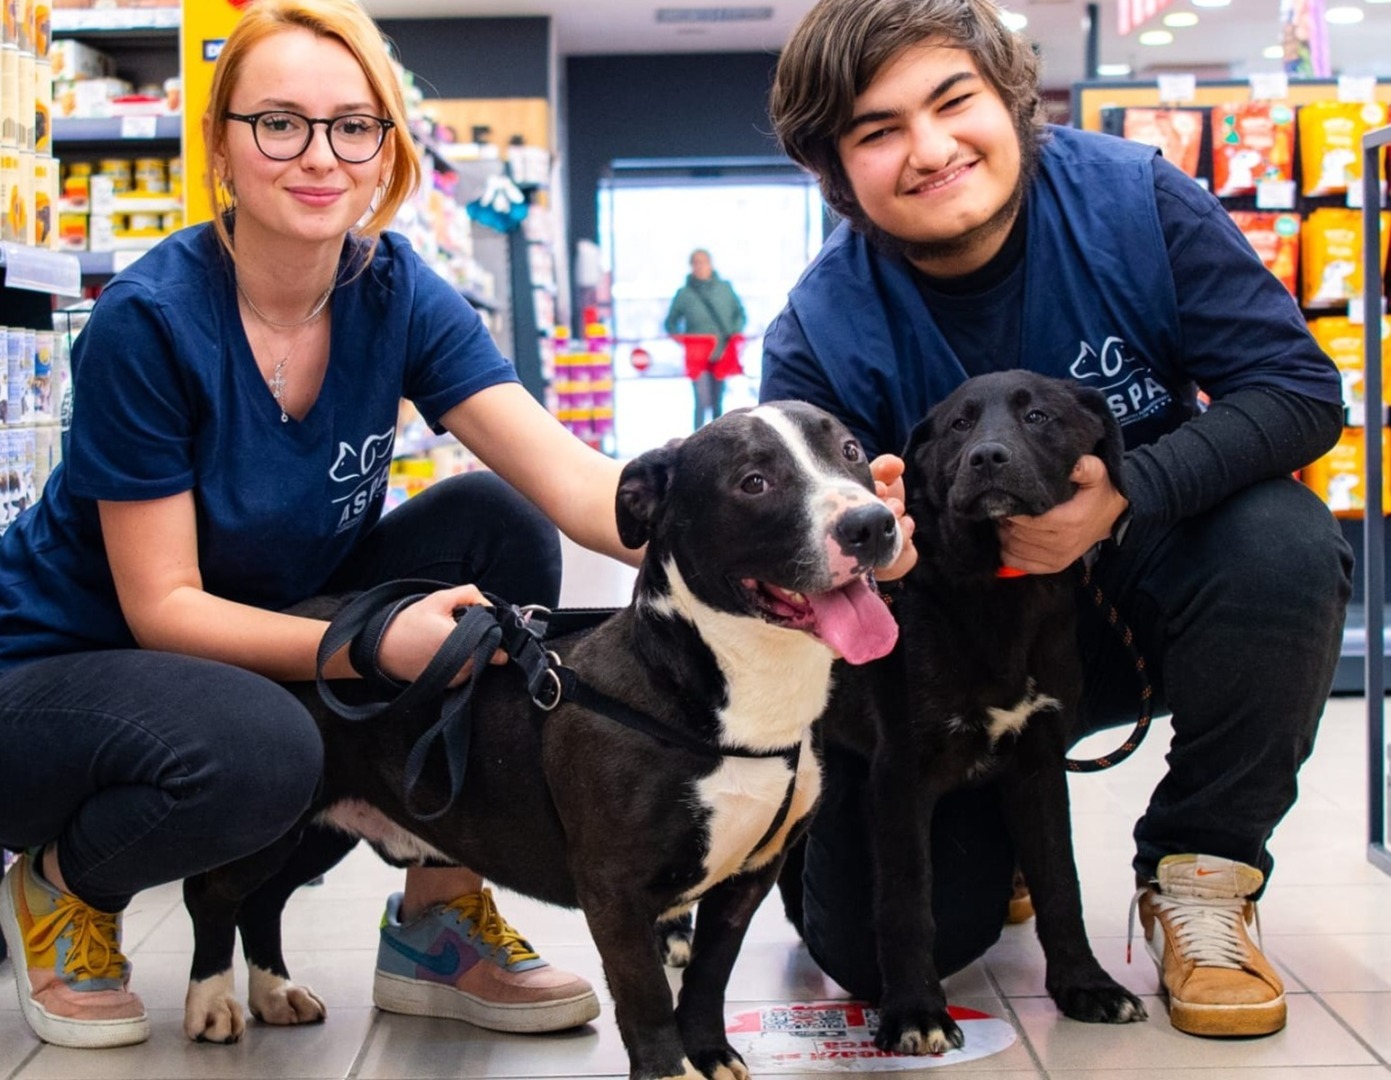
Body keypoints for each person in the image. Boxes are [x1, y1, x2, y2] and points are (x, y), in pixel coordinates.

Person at [0, 0, 635, 1050]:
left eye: (353, 125)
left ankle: (438, 915)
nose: (320, 156)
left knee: (496, 523)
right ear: (222, 143)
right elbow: (162, 608)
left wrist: (785, 532)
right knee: (268, 748)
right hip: (66, 676)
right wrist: (369, 642)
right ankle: (59, 887)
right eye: (279, 122)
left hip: (256, 636)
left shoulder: (391, 289)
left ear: (385, 143)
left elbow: (568, 481)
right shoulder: (149, 323)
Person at [761, 0, 1352, 1040]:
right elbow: (798, 564)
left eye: (953, 102)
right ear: (833, 171)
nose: (931, 150)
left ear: (1012, 102)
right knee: (867, 952)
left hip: (1136, 598)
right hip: (941, 661)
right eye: (877, 130)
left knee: (1282, 543)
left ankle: (1199, 874)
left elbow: (1296, 390)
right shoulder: (819, 331)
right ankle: (978, 826)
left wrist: (1122, 496)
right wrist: (871, 541)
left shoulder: (1130, 202)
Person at [663, 248, 747, 428]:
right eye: (696, 263)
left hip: (722, 351)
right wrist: (683, 340)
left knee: (718, 402)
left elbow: (740, 314)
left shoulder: (725, 288)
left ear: (710, 264)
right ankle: (696, 445)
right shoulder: (684, 294)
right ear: (691, 266)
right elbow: (670, 322)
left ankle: (719, 442)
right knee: (700, 402)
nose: (700, 267)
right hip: (697, 355)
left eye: (703, 262)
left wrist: (734, 333)